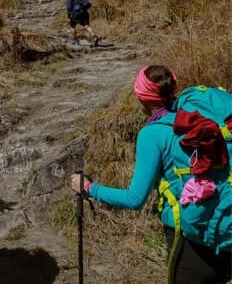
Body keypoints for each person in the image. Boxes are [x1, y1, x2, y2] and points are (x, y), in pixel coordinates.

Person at [70, 65, 232, 284]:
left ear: (141, 98)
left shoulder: (153, 134)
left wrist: (89, 188)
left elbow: (134, 199)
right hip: (224, 222)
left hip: (188, 236)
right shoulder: (199, 116)